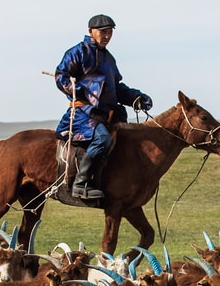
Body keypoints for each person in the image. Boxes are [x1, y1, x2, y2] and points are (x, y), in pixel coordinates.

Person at [54, 14, 153, 200]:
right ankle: (80, 184)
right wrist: (80, 90)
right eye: (103, 32)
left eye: (110, 32)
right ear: (90, 31)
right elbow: (61, 77)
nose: (107, 36)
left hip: (106, 114)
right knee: (102, 139)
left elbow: (117, 88)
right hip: (83, 113)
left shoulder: (109, 59)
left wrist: (135, 97)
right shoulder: (77, 52)